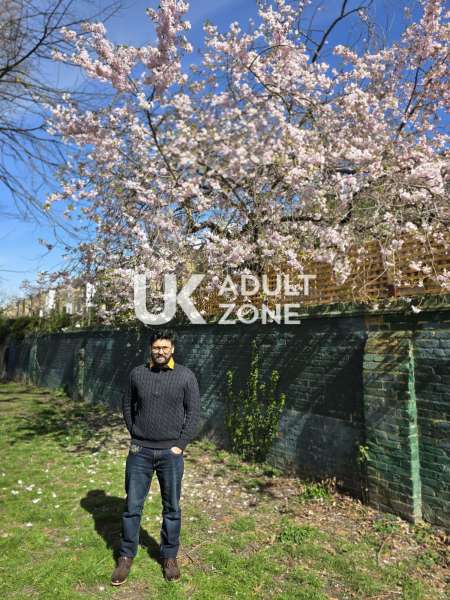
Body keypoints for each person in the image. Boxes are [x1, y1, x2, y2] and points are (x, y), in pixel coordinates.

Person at [111, 329, 201, 585]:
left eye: (165, 347)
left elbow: (194, 412)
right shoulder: (137, 374)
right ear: (150, 349)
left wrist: (180, 445)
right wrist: (135, 433)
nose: (160, 351)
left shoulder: (185, 376)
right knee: (132, 506)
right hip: (139, 451)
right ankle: (126, 556)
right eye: (156, 347)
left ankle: (169, 556)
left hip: (171, 453)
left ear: (172, 349)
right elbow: (127, 404)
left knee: (171, 507)